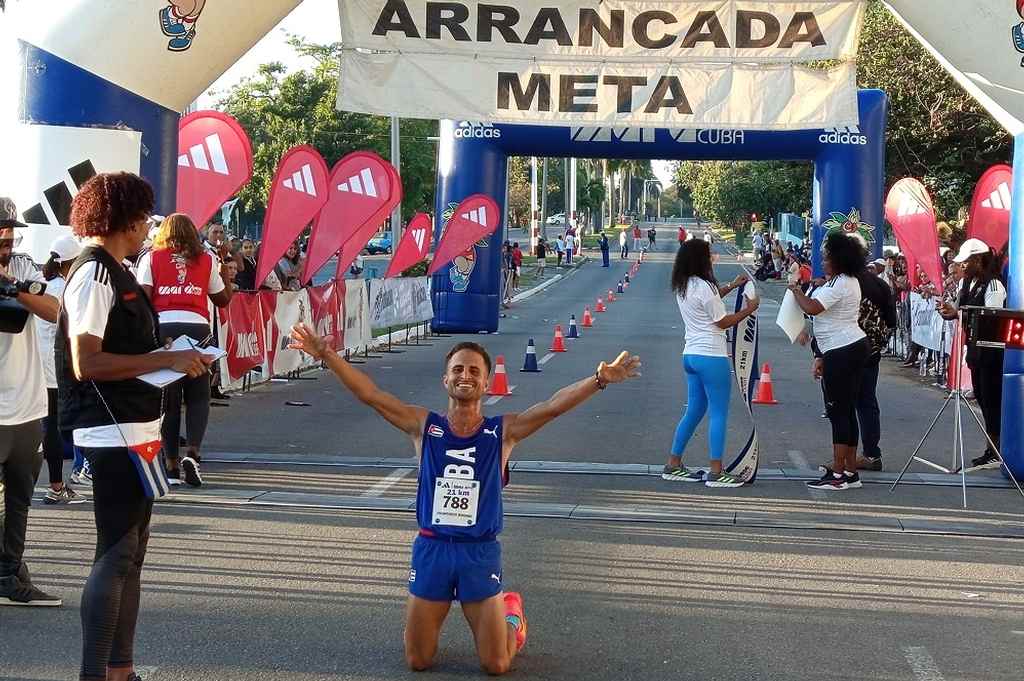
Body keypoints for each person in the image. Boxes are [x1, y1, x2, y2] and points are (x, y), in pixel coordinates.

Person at [286, 325, 641, 675]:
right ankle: (419, 625)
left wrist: (599, 379)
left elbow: (551, 408)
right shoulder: (422, 425)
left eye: (474, 371)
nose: (465, 376)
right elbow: (372, 395)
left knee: (496, 664)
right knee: (419, 661)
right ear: (446, 381)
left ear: (486, 384)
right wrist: (326, 355)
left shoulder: (503, 432)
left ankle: (511, 616)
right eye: (458, 369)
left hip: (479, 552)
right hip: (433, 549)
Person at [60, 173, 212, 679]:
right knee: (116, 554)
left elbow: (120, 353)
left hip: (137, 429)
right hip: (111, 432)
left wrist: (173, 359)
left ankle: (120, 670)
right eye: (145, 215)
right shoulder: (95, 273)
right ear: (126, 218)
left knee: (132, 557)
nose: (150, 224)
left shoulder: (119, 269)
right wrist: (164, 357)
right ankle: (95, 673)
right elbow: (87, 362)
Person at [136, 213, 233, 486]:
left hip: (165, 328)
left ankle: (170, 465)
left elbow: (142, 297)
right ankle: (193, 453)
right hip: (198, 330)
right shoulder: (206, 259)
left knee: (169, 397)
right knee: (198, 395)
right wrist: (223, 264)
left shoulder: (151, 257)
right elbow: (223, 298)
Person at [0, 197, 64, 606]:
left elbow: (52, 309)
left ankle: (10, 575)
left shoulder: (22, 265)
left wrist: (12, 288)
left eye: (9, 238)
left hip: (26, 404)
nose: (6, 246)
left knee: (20, 498)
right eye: (1, 239)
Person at [662, 240, 759, 487]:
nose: (712, 257)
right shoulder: (705, 286)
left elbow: (710, 304)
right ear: (700, 259)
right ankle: (717, 471)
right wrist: (749, 310)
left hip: (690, 354)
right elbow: (721, 321)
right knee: (718, 413)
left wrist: (731, 286)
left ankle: (673, 464)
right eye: (709, 254)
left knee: (693, 411)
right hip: (712, 356)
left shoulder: (684, 285)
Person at [788, 232, 869, 491]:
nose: (822, 261)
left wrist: (796, 290)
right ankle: (849, 471)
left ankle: (837, 473)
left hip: (842, 349)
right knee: (847, 410)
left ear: (839, 259)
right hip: (848, 346)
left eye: (826, 258)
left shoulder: (840, 284)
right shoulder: (847, 281)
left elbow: (812, 308)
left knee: (838, 412)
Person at [939, 238, 1007, 470]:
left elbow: (990, 319)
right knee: (982, 397)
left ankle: (996, 449)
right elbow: (960, 312)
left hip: (992, 353)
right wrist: (950, 311)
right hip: (976, 352)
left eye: (966, 262)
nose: (962, 267)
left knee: (992, 401)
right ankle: (992, 448)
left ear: (978, 260)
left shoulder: (994, 285)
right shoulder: (968, 284)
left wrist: (960, 314)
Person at [37, 235, 87, 505]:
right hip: (55, 364)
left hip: (37, 363)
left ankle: (56, 484)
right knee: (53, 425)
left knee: (46, 424)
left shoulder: (41, 283)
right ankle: (57, 485)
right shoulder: (65, 289)